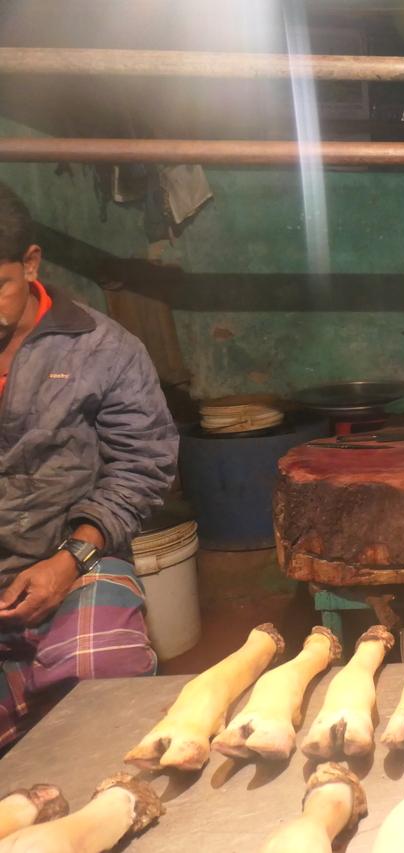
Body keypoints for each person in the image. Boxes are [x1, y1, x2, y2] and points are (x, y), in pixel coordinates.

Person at [0, 180, 177, 751]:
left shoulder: (103, 350)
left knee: (102, 691)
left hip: (76, 564)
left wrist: (68, 559)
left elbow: (142, 465)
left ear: (31, 264)